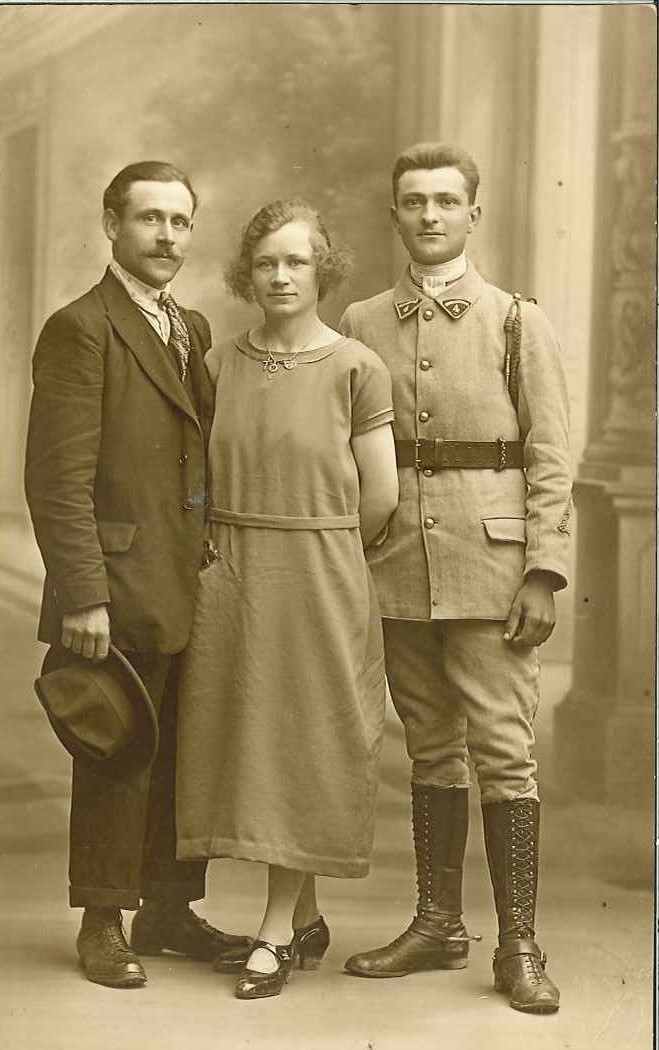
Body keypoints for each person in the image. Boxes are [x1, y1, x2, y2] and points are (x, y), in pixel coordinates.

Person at [339, 143, 571, 1014]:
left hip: (493, 565)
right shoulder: (361, 322)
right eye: (412, 201)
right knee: (429, 749)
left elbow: (548, 452)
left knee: (505, 754)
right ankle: (437, 921)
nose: (429, 215)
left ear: (474, 213)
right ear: (393, 214)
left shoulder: (515, 321)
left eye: (445, 201)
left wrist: (544, 570)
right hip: (398, 564)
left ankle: (519, 943)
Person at [24, 161, 250, 988]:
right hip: (114, 585)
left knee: (179, 751)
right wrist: (83, 592)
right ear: (112, 224)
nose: (166, 237)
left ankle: (168, 910)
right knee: (118, 749)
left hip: (186, 579)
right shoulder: (82, 327)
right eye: (149, 219)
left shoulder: (185, 323)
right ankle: (103, 921)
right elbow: (54, 478)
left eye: (180, 222)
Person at [175, 198, 399, 1000]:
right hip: (231, 574)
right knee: (254, 745)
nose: (279, 275)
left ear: (322, 270)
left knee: (304, 745)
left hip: (318, 571)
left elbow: (380, 496)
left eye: (295, 261)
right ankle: (300, 918)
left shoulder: (354, 367)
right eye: (266, 262)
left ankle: (273, 931)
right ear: (247, 272)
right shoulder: (216, 364)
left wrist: (323, 547)